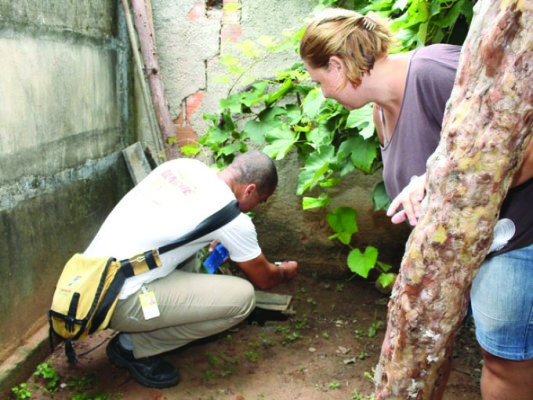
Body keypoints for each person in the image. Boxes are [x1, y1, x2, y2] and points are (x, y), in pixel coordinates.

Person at [299, 8, 533, 400]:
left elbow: (519, 141)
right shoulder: (379, 113)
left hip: (515, 239)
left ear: (337, 66)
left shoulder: (433, 71)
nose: (322, 92)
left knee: (505, 364)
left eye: (319, 80)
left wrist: (434, 183)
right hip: (469, 251)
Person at [84, 150, 298, 389]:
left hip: (89, 280)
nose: (257, 207)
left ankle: (147, 328)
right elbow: (264, 279)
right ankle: (131, 347)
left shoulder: (184, 167)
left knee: (197, 258)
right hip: (118, 303)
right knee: (243, 299)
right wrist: (285, 270)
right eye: (261, 200)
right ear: (249, 190)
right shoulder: (232, 218)